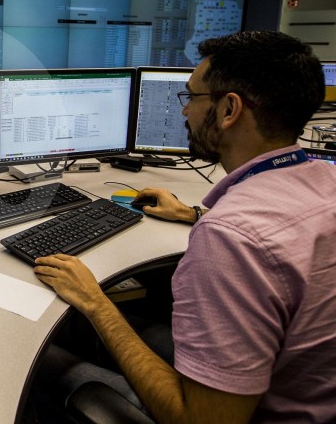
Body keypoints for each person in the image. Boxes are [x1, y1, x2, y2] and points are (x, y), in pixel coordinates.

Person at [33, 30, 336, 423]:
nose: (183, 112)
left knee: (45, 360)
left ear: (229, 110)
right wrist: (193, 214)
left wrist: (96, 301)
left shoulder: (230, 239)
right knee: (80, 330)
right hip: (301, 386)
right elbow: (280, 239)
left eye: (191, 97)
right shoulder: (325, 181)